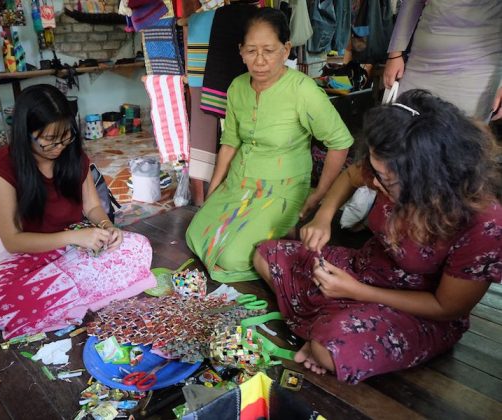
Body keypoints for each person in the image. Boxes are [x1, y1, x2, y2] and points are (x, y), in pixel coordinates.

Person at [254, 90, 502, 384]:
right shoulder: (388, 164)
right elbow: (351, 176)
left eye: (387, 180)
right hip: (369, 268)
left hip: (421, 310)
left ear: (427, 176)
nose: (376, 181)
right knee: (266, 255)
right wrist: (323, 218)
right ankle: (331, 319)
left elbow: (448, 307)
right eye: (375, 170)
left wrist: (356, 292)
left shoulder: (484, 222)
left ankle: (327, 326)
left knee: (328, 349)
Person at [186, 7, 353, 283]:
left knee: (230, 258)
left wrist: (318, 195)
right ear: (240, 51)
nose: (260, 61)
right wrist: (214, 190)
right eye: (251, 51)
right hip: (239, 184)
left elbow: (340, 143)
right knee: (195, 235)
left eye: (269, 50)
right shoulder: (237, 87)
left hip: (281, 188)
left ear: (286, 49)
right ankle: (272, 234)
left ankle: (284, 232)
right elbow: (230, 143)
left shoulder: (303, 90)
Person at [0, 85, 156, 339]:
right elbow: (13, 240)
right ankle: (85, 291)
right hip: (21, 255)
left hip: (72, 249)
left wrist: (107, 226)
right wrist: (76, 237)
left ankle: (66, 297)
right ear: (25, 133)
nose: (58, 147)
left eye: (65, 137)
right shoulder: (2, 165)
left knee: (141, 248)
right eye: (49, 140)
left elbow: (92, 206)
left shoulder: (73, 155)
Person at [383, 0, 502, 120]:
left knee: (464, 133)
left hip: (476, 71)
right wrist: (395, 54)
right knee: (402, 126)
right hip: (420, 62)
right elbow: (412, 3)